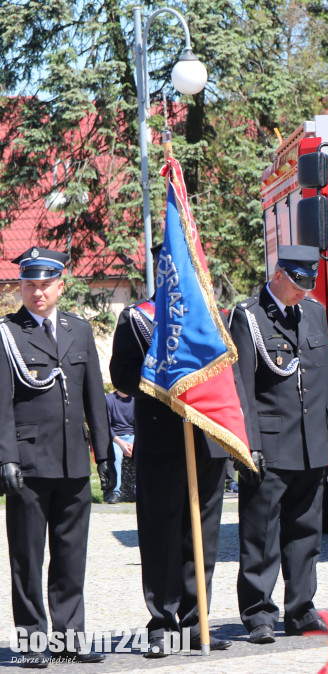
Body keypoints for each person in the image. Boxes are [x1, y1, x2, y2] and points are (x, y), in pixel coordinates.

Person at [110, 252, 246, 656]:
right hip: (162, 440)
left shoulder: (211, 316)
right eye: (169, 265)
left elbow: (229, 377)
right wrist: (164, 372)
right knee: (161, 534)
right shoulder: (138, 318)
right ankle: (162, 622)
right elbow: (122, 377)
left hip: (205, 441)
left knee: (202, 535)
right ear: (159, 270)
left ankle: (195, 619)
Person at [229, 245, 328, 643]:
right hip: (271, 444)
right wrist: (249, 443)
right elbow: (242, 386)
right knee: (260, 534)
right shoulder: (249, 316)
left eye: (308, 284)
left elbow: (327, 379)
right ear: (279, 274)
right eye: (298, 283)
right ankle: (259, 614)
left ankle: (301, 609)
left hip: (311, 443)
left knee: (306, 532)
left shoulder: (313, 313)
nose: (303, 291)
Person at [0, 247, 111, 666]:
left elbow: (93, 398)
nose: (37, 292)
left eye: (45, 284)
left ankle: (68, 638)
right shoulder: (7, 333)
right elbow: (0, 403)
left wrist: (103, 454)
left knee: (70, 555)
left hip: (72, 464)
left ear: (60, 286)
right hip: (27, 464)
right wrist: (5, 457)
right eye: (29, 284)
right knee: (27, 558)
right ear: (21, 288)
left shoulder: (78, 331)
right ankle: (32, 640)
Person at [103, 390, 135, 503]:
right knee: (116, 455)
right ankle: (115, 492)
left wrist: (134, 444)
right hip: (116, 438)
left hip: (133, 436)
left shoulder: (135, 399)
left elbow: (139, 424)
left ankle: (138, 490)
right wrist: (121, 444)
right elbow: (106, 426)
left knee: (141, 452)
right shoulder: (109, 399)